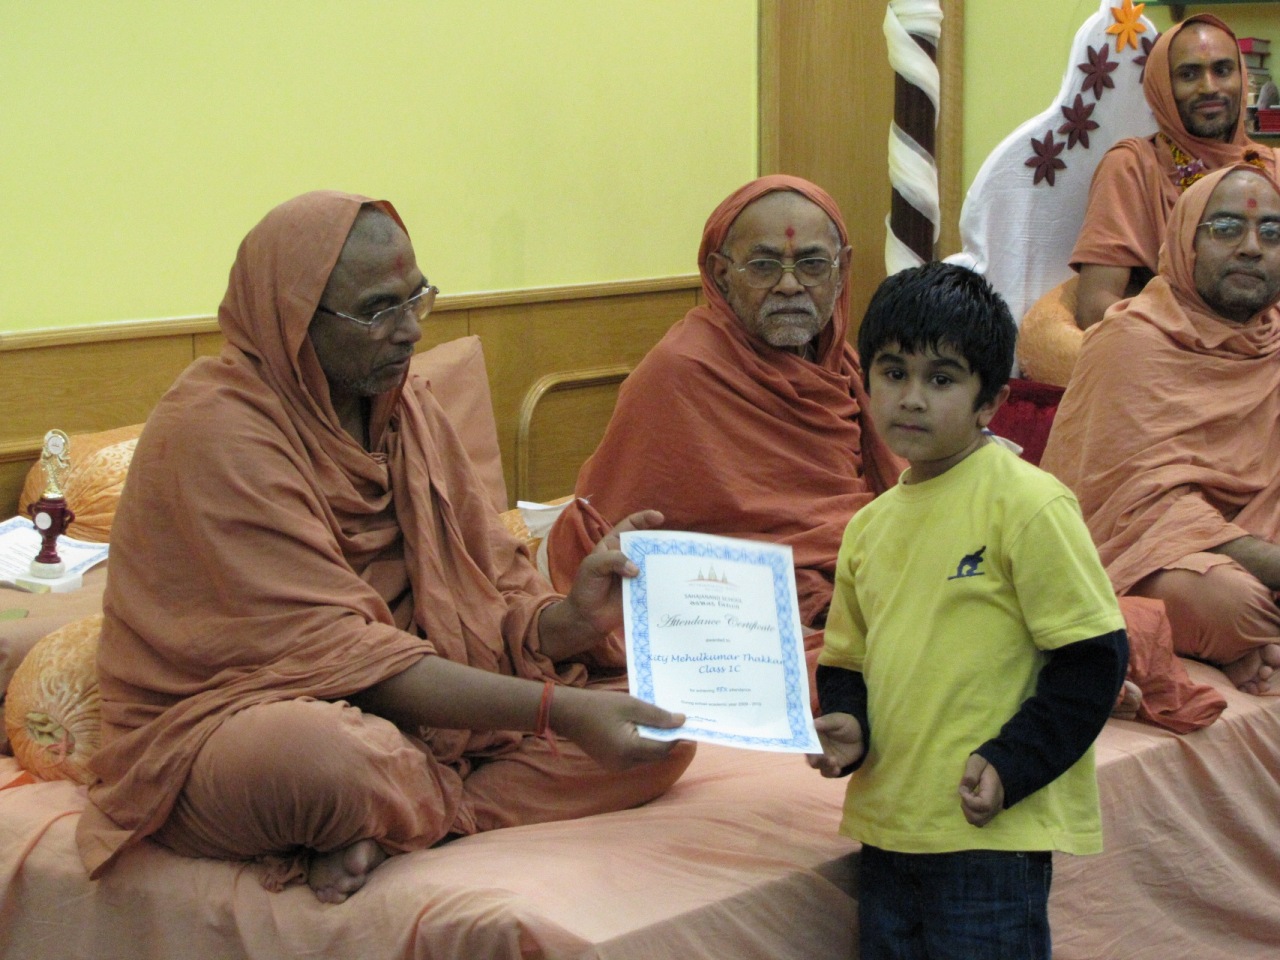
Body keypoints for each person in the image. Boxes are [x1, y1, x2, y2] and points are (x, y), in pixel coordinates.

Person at [75, 191, 694, 904]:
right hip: (233, 718)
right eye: (377, 311)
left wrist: (569, 621)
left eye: (416, 299)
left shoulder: (408, 405)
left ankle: (408, 814)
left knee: (665, 733)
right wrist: (562, 714)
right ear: (293, 319)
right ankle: (408, 799)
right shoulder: (215, 428)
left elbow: (489, 586)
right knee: (324, 764)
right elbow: (344, 656)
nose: (408, 332)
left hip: (416, 715)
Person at [810, 262, 1128, 959]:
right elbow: (846, 662)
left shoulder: (1028, 503)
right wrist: (847, 722)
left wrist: (1013, 762)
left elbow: (1094, 658)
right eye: (893, 373)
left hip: (989, 835)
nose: (912, 398)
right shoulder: (869, 526)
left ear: (992, 400)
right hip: (888, 828)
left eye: (942, 379)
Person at [545, 175, 902, 642]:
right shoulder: (679, 371)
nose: (790, 285)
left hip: (858, 590)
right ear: (720, 275)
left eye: (812, 264)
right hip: (728, 619)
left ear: (842, 269)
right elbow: (610, 530)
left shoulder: (843, 363)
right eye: (763, 265)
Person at [1042, 163, 1280, 696]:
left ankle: (1240, 648)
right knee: (1230, 606)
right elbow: (1139, 507)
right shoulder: (1129, 340)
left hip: (1259, 549)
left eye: (1271, 232)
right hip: (1154, 553)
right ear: (1183, 241)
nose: (1251, 246)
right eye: (1225, 229)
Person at [1072, 13, 1278, 331]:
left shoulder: (1273, 169)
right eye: (1189, 74)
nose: (1209, 87)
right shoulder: (1134, 166)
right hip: (1175, 357)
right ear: (1162, 87)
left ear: (1242, 78)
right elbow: (1094, 306)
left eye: (1222, 70)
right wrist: (1203, 341)